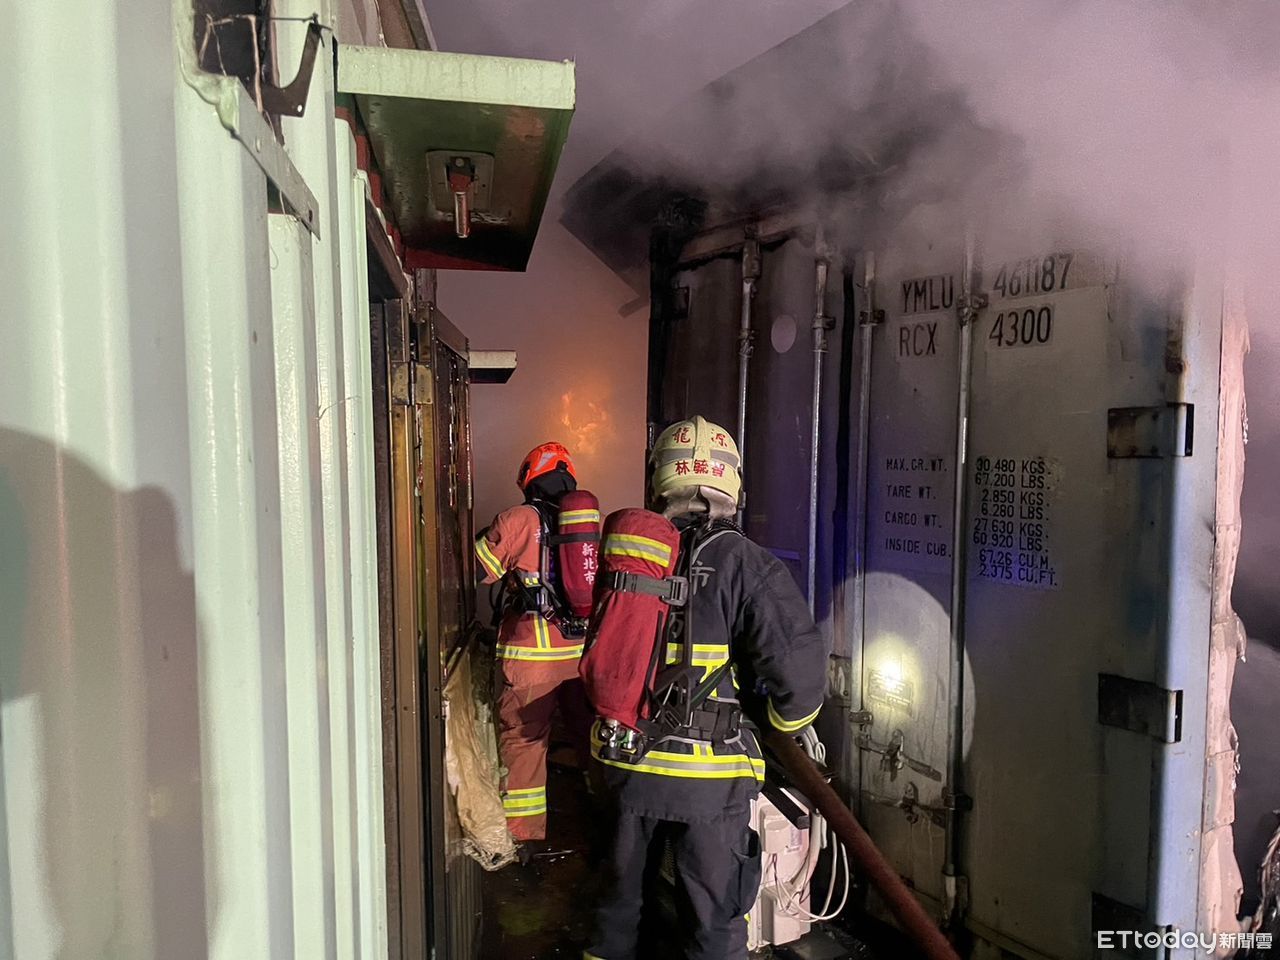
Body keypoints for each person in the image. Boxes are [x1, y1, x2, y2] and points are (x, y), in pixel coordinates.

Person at [585, 415, 830, 960]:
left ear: (660, 477)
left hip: (627, 766)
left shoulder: (633, 554)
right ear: (732, 483)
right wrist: (779, 724)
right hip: (710, 782)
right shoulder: (748, 564)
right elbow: (800, 677)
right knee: (714, 925)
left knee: (616, 911)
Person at [475, 441, 595, 845]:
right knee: (590, 736)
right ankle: (604, 815)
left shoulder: (518, 519)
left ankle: (523, 838)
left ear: (529, 479)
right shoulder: (585, 526)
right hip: (581, 658)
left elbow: (476, 570)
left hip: (532, 659)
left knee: (525, 742)